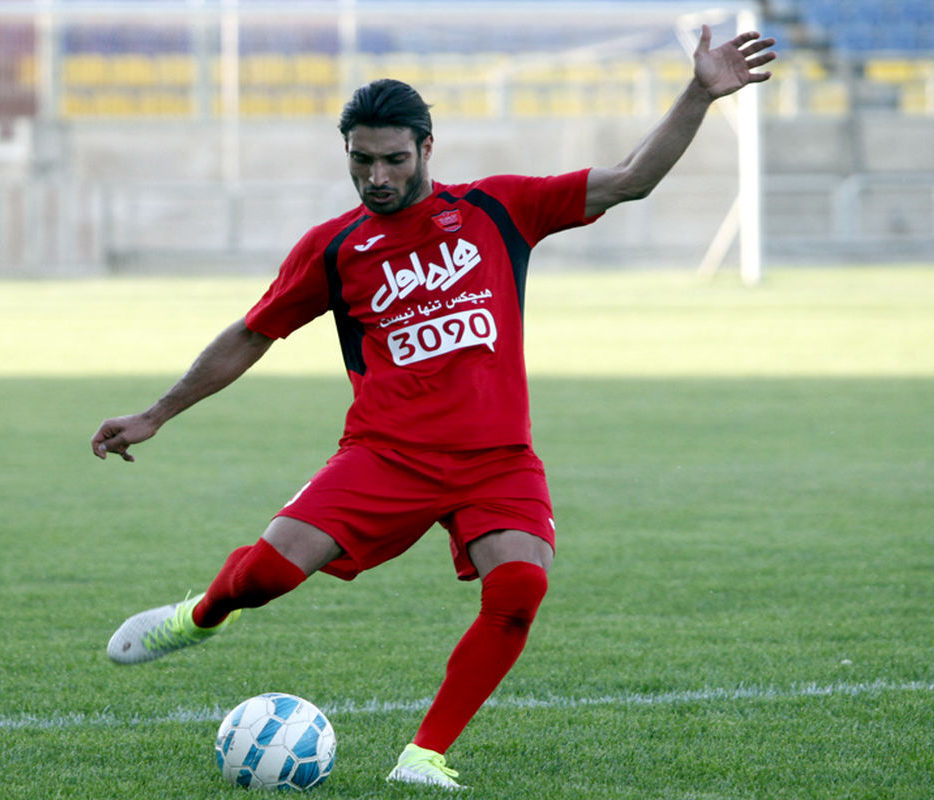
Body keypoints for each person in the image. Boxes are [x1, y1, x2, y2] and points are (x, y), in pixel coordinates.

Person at [92, 25, 775, 790]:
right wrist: (157, 413)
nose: (377, 176)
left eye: (393, 159)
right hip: (384, 456)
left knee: (518, 589)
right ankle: (201, 615)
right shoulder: (335, 247)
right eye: (361, 161)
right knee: (268, 579)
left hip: (496, 459)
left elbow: (631, 178)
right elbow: (253, 334)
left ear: (426, 148)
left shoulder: (498, 209)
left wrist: (699, 93)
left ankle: (423, 755)